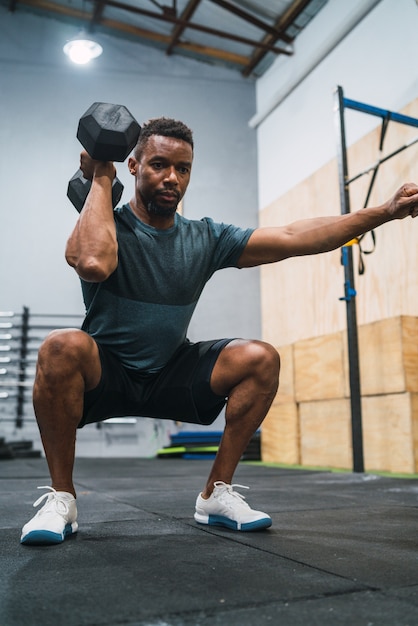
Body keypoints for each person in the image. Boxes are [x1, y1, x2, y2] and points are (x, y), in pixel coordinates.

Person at [20, 116, 418, 545]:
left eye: (183, 168)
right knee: (61, 346)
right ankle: (62, 498)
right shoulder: (106, 226)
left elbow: (293, 236)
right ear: (133, 166)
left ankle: (216, 493)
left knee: (260, 358)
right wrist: (101, 173)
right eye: (158, 164)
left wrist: (385, 212)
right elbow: (94, 263)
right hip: (108, 373)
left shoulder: (206, 237)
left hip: (171, 372)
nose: (172, 177)